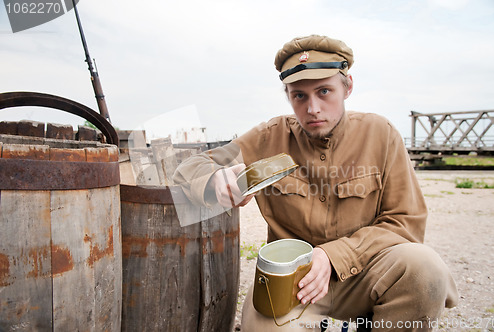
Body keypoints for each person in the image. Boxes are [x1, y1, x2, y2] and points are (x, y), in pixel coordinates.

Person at [173, 35, 458, 331]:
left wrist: (332, 256)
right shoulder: (268, 137)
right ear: (287, 95)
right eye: (299, 96)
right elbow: (190, 167)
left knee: (425, 268)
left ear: (347, 87)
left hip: (366, 274)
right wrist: (214, 178)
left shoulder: (381, 134)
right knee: (261, 326)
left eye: (324, 91)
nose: (313, 108)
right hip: (293, 284)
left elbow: (405, 222)